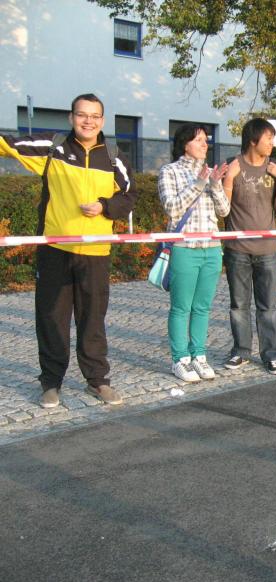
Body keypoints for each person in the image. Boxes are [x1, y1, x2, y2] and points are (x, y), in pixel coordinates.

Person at [0, 93, 136, 408]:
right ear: (71, 117)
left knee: (92, 319)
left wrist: (104, 206)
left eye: (94, 116)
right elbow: (7, 144)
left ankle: (98, 381)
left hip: (96, 252)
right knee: (51, 318)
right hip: (55, 250)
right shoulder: (53, 147)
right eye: (82, 115)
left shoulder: (114, 156)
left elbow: (129, 195)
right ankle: (51, 383)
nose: (88, 121)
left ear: (102, 120)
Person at [157, 124, 230, 382]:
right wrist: (199, 183)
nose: (204, 144)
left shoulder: (209, 173)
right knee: (181, 307)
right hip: (184, 248)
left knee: (202, 307)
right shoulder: (170, 171)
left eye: (205, 140)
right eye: (198, 140)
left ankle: (199, 355)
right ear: (184, 143)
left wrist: (216, 184)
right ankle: (180, 359)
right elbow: (172, 208)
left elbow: (224, 211)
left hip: (211, 248)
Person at [221, 118, 276, 375]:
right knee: (239, 306)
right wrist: (229, 180)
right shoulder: (231, 165)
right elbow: (222, 209)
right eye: (268, 138)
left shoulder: (275, 167)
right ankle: (240, 351)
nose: (272, 143)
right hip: (237, 249)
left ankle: (271, 354)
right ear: (253, 141)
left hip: (268, 250)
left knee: (268, 307)